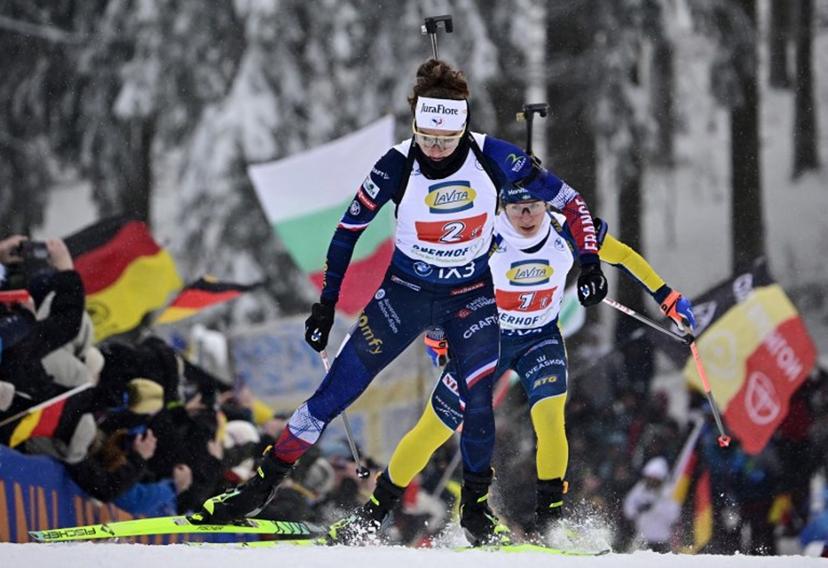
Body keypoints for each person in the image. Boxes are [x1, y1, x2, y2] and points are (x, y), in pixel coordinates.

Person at [193, 59, 607, 547]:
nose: (434, 148)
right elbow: (347, 233)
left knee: (477, 403)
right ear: (415, 125)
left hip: (469, 300)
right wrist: (326, 305)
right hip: (403, 297)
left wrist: (591, 261)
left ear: (462, 129)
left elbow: (573, 203)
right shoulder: (397, 162)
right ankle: (259, 489)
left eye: (445, 140)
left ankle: (475, 512)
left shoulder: (495, 156)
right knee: (333, 394)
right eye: (426, 137)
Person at [326, 184, 696, 545]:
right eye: (517, 207)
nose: (526, 215)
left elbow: (626, 256)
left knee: (550, 419)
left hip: (540, 340)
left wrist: (667, 297)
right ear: (502, 207)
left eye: (534, 205)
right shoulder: (487, 235)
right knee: (433, 431)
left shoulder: (568, 229)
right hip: (486, 338)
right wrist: (437, 332)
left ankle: (551, 522)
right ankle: (372, 514)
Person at [622, 456, 681, 552]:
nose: (651, 481)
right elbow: (628, 506)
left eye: (655, 479)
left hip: (662, 540)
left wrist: (655, 508)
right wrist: (637, 510)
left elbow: (675, 515)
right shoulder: (640, 488)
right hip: (642, 538)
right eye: (650, 478)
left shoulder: (668, 492)